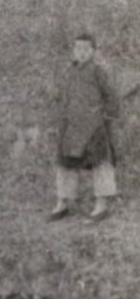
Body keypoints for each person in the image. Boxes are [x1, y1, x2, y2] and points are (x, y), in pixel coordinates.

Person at [50, 33, 120, 223]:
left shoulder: (98, 72)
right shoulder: (69, 72)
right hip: (71, 125)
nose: (81, 53)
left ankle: (101, 206)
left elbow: (111, 97)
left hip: (94, 125)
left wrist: (104, 117)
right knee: (64, 163)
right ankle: (62, 203)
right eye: (78, 48)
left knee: (101, 163)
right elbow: (62, 96)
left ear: (93, 51)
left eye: (86, 49)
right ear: (74, 50)